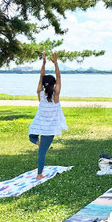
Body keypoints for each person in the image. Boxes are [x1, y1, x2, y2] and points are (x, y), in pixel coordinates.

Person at [28, 52, 68, 180]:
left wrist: (43, 63)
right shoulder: (55, 95)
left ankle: (39, 173)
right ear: (53, 84)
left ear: (44, 84)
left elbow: (41, 77)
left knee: (32, 138)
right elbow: (59, 77)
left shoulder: (40, 94)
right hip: (48, 128)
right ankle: (39, 173)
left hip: (41, 126)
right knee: (38, 146)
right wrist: (55, 63)